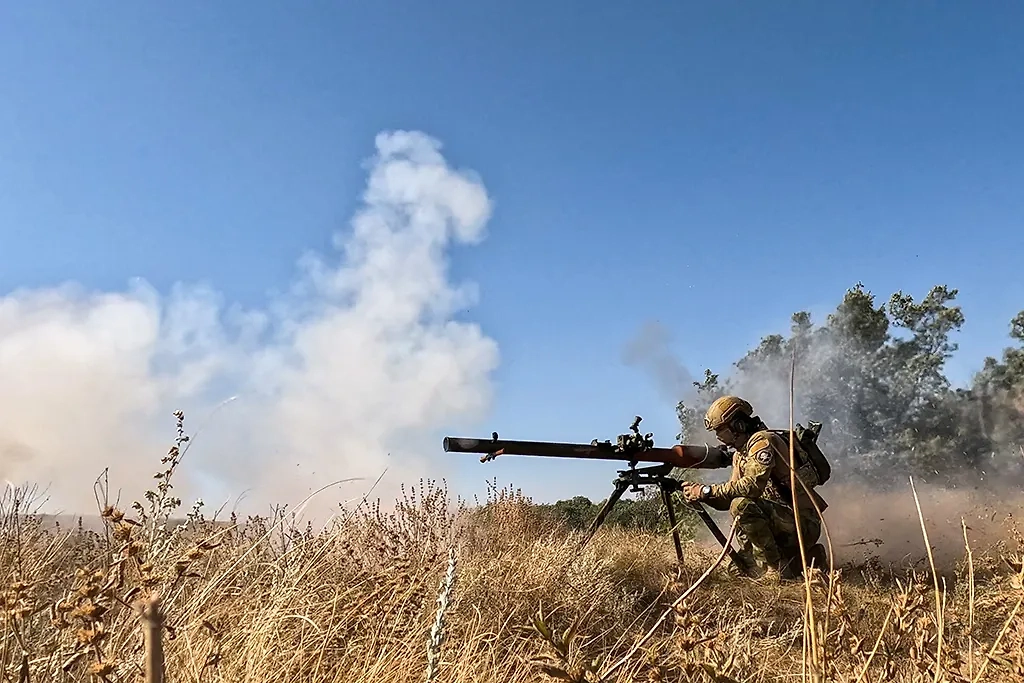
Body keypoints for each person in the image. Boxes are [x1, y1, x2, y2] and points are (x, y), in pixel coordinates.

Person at [680, 395, 829, 581]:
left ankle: (777, 569)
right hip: (781, 524)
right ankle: (804, 559)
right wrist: (701, 495)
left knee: (741, 505)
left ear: (739, 425)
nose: (720, 438)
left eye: (722, 432)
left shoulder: (762, 441)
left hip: (802, 523)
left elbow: (751, 487)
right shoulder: (740, 455)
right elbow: (727, 501)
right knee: (738, 570)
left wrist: (707, 491)